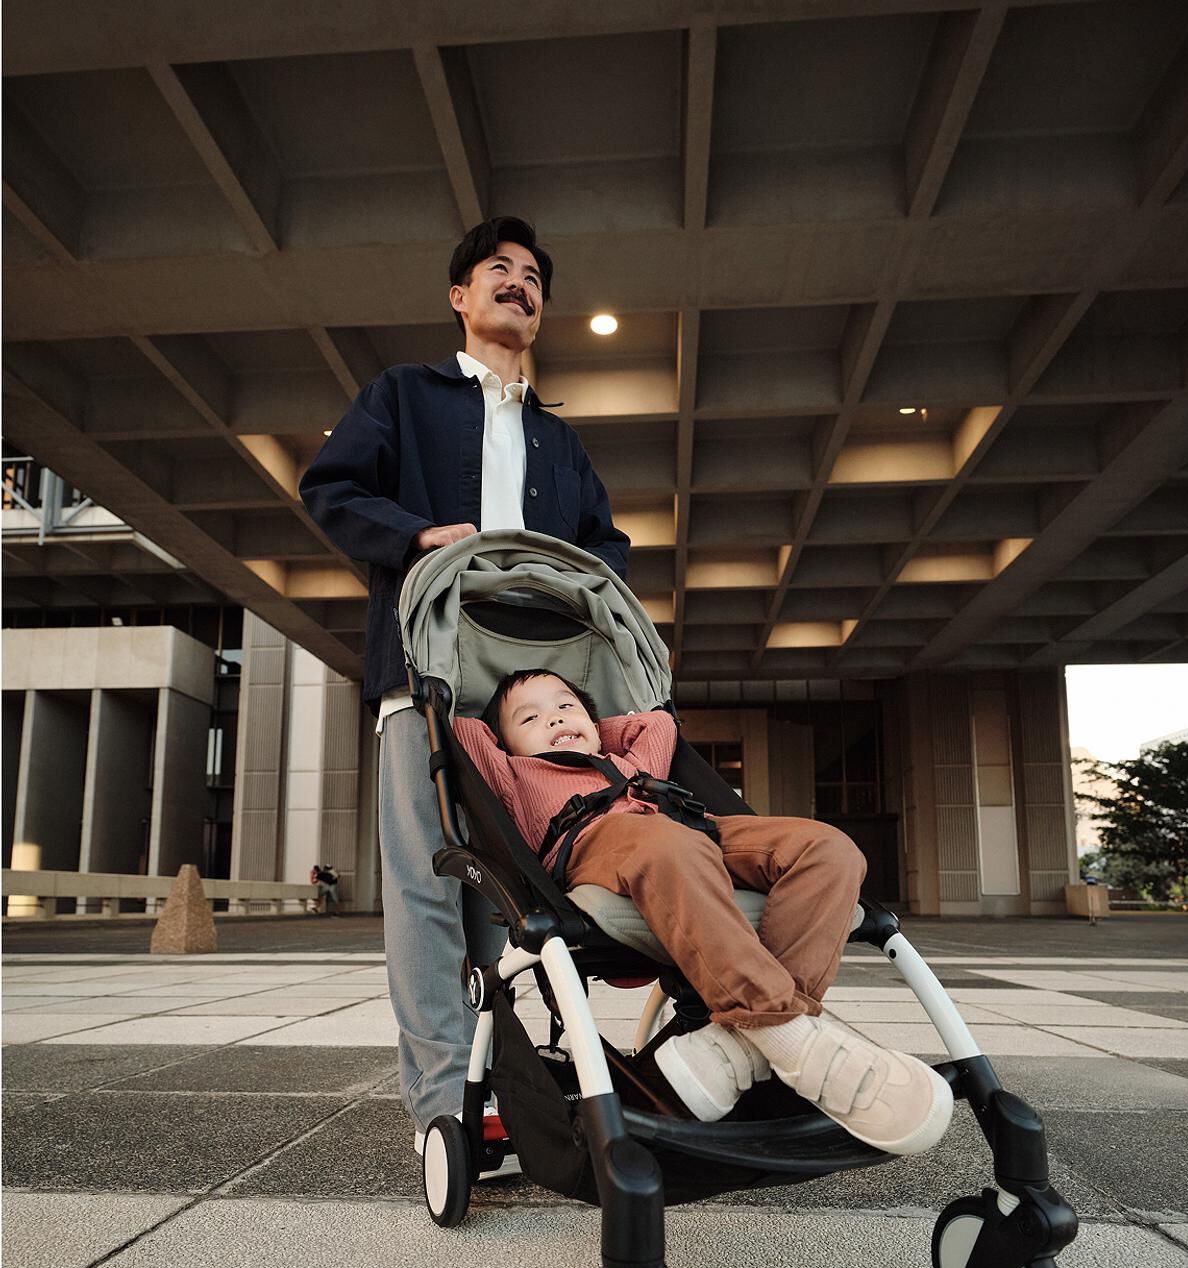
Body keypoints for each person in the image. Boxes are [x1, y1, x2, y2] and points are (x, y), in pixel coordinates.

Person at [299, 218, 630, 1160]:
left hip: (522, 697)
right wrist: (413, 535)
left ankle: (507, 1088)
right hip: (423, 675)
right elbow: (329, 488)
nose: (519, 286)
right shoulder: (403, 397)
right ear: (460, 295)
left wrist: (570, 589)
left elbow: (608, 550)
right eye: (500, 271)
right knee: (424, 891)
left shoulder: (558, 442)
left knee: (512, 899)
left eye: (533, 278)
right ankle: (444, 1104)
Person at [453, 670, 952, 1154]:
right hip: (596, 845)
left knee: (831, 849)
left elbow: (659, 722)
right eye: (531, 718)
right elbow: (466, 734)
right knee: (665, 842)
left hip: (695, 832)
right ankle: (789, 1036)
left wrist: (594, 728)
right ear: (507, 744)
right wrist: (523, 731)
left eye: (567, 705)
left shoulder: (628, 760)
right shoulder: (512, 773)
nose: (556, 718)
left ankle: (747, 1042)